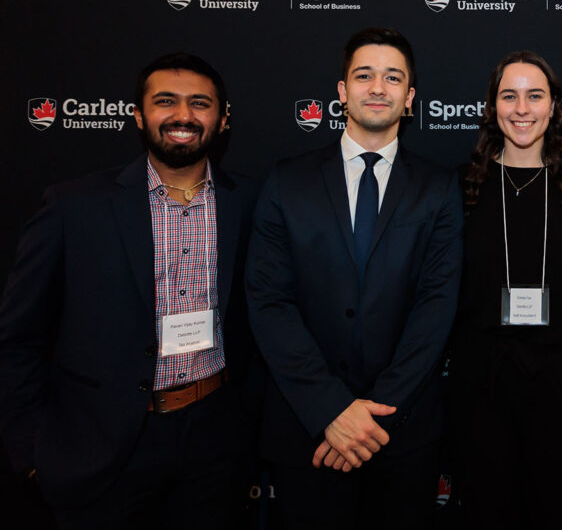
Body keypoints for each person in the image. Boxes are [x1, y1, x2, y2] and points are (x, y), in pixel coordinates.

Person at [0, 53, 262, 527]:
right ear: (139, 115)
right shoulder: (73, 207)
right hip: (101, 442)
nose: (183, 116)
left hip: (214, 438)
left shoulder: (253, 202)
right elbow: (17, 338)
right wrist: (32, 451)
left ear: (222, 120)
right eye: (166, 102)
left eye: (200, 103)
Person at [245, 27, 462, 529]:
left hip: (400, 432)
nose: (377, 88)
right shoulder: (287, 181)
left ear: (409, 98)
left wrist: (369, 419)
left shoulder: (438, 187)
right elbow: (269, 302)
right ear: (342, 91)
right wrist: (331, 410)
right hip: (308, 431)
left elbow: (436, 306)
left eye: (393, 78)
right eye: (364, 76)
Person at [450, 50, 562, 530]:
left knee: (559, 511)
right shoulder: (460, 188)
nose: (522, 108)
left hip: (559, 385)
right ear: (492, 106)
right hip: (482, 385)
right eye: (509, 95)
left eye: (535, 96)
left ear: (554, 106)